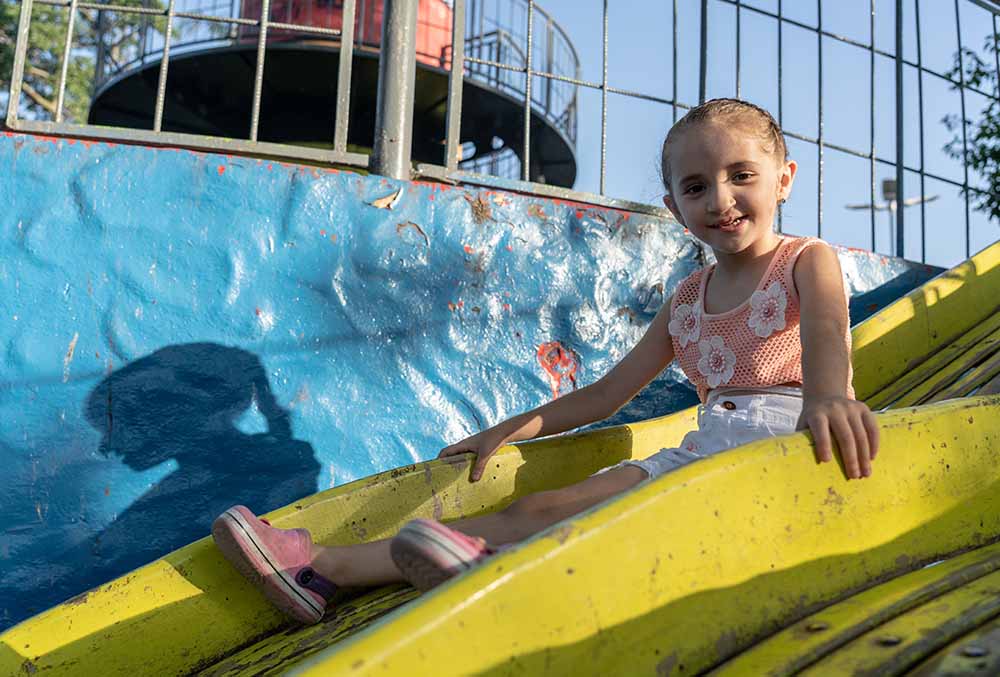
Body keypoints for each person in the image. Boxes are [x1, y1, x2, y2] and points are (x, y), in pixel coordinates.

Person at [211, 98, 880, 625]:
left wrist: (827, 397)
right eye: (697, 187)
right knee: (549, 502)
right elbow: (603, 395)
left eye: (742, 176)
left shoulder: (804, 259)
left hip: (797, 442)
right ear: (675, 208)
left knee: (605, 524)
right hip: (702, 452)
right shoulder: (686, 301)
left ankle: (489, 561)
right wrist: (512, 428)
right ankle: (321, 565)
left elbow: (826, 329)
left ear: (784, 179)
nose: (721, 199)